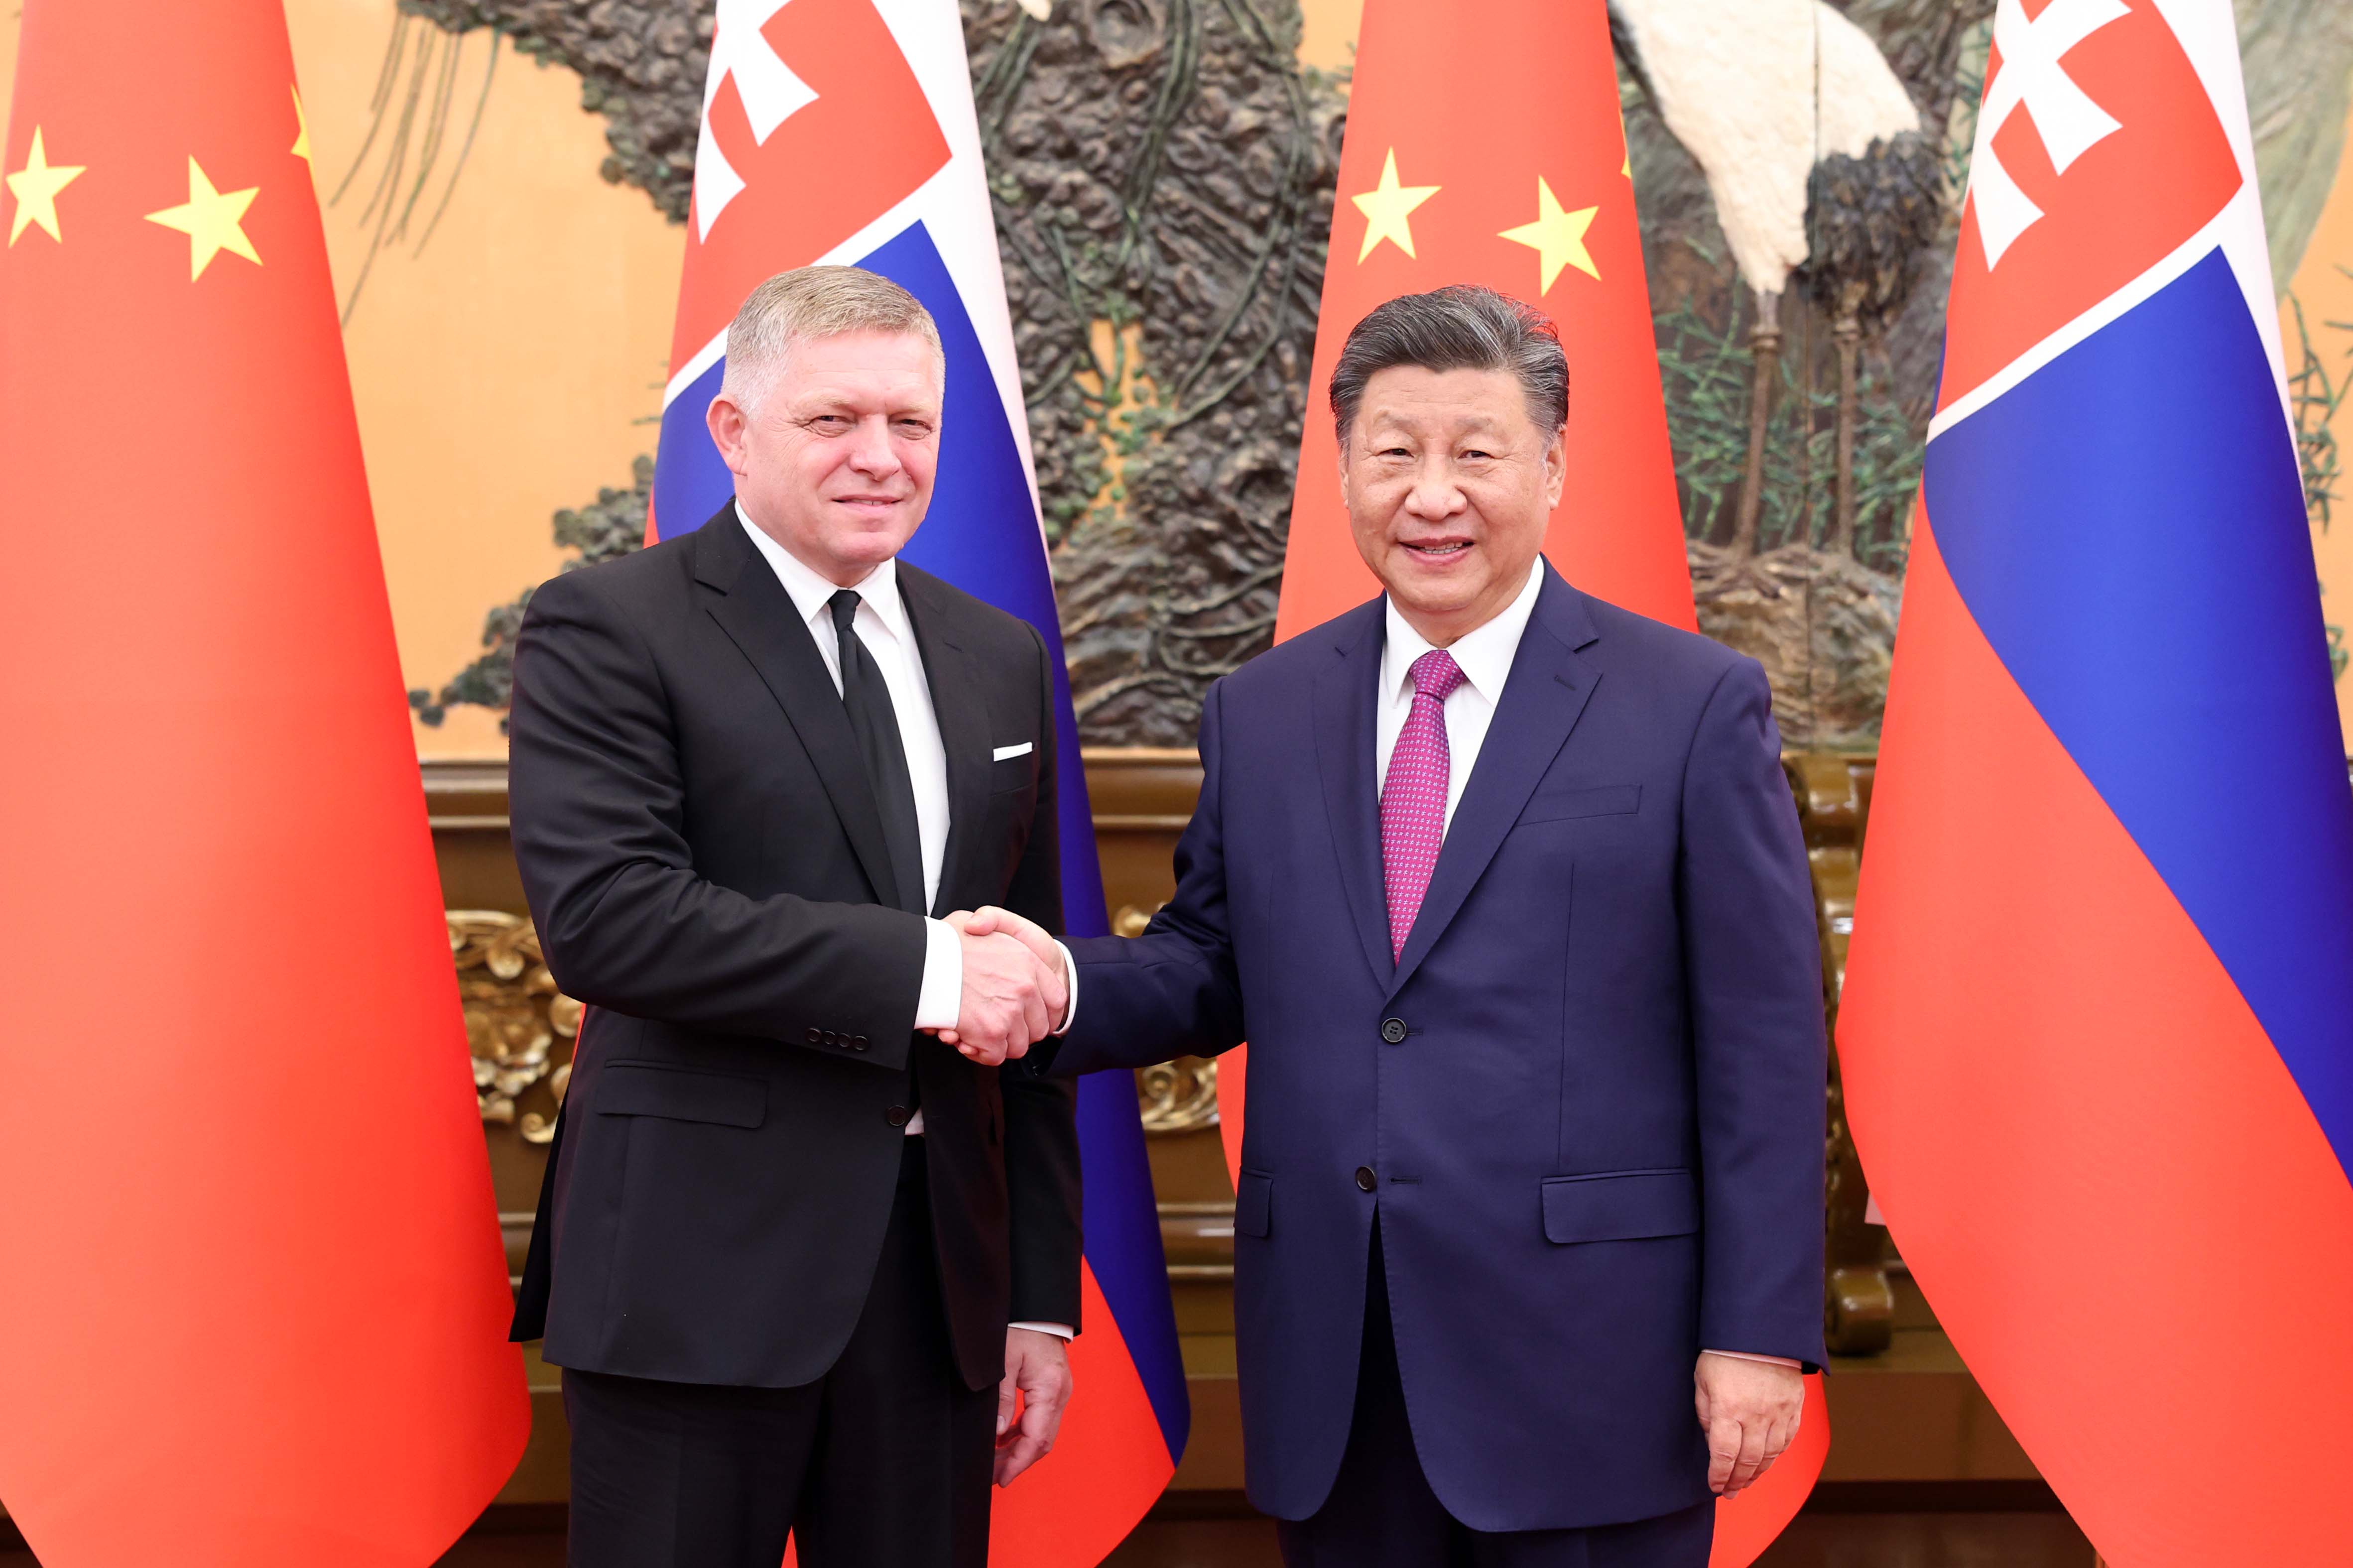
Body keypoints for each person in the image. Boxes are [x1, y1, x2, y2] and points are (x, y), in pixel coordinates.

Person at [965, 284, 1826, 1567]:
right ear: (1345, 469)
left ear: (1552, 464)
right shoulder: (1261, 710)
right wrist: (1060, 987)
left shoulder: (1692, 706)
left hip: (1595, 1364)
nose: (1434, 495)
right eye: (1394, 453)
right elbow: (1214, 963)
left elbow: (1763, 1043)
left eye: (1477, 453)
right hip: (1340, 1356)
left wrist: (1756, 1330)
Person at [505, 265, 1083, 1568]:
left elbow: (1027, 991)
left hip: (939, 1293)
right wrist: (927, 973)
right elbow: (611, 917)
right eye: (834, 420)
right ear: (733, 432)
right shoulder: (611, 626)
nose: (881, 457)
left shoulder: (998, 657)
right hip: (691, 1282)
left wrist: (1038, 1297)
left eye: (912, 424)